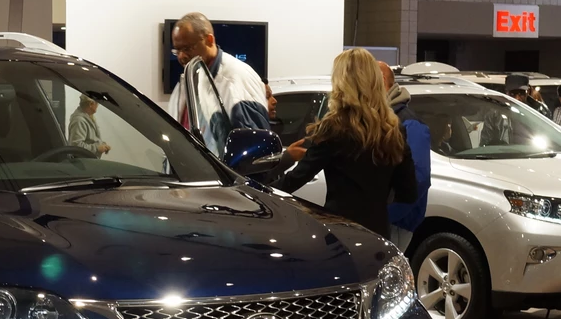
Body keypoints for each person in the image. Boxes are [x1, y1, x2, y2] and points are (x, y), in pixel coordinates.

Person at [277, 49, 417, 237]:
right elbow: (409, 193)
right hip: (378, 233)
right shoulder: (393, 128)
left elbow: (295, 179)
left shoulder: (334, 128)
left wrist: (254, 192)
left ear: (341, 83)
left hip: (342, 233)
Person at [168, 12, 272, 155]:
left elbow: (253, 152)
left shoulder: (235, 80)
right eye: (177, 50)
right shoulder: (188, 80)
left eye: (187, 48)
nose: (181, 56)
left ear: (209, 40)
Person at [380, 60, 430, 252]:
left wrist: (387, 214)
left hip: (395, 223)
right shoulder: (382, 117)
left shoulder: (409, 123)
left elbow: (418, 179)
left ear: (381, 80)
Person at [67, 93, 110, 158]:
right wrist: (97, 148)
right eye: (97, 103)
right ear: (91, 104)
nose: (98, 105)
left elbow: (91, 139)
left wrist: (102, 145)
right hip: (83, 162)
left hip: (89, 160)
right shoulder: (79, 121)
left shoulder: (89, 117)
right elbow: (76, 147)